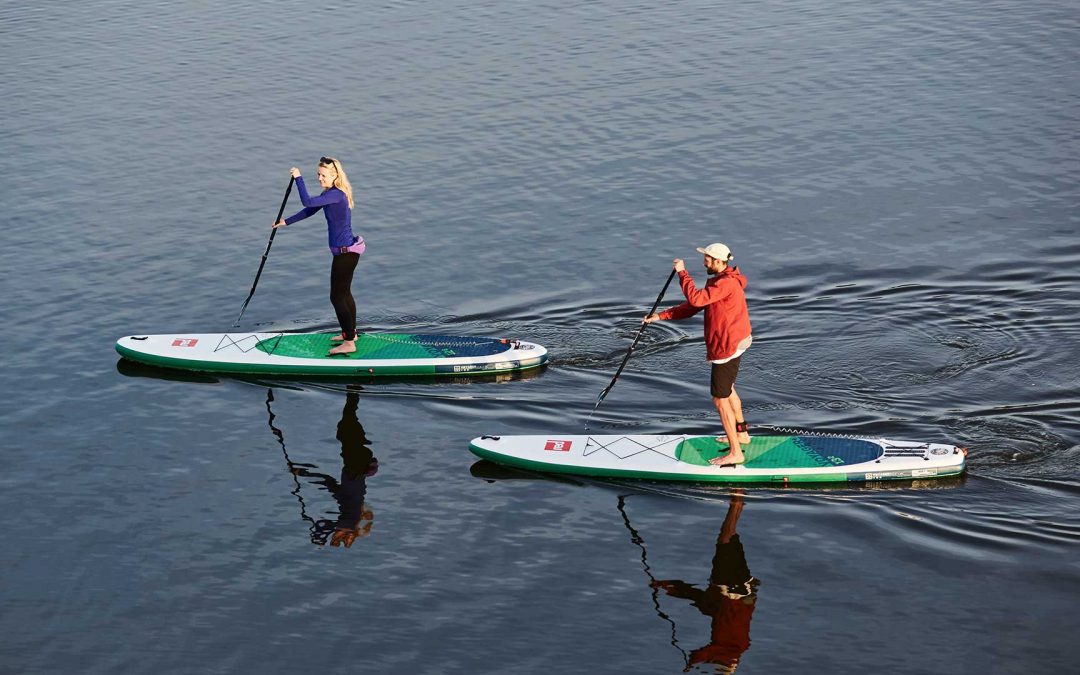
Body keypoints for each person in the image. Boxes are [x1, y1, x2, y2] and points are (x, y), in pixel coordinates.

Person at [644, 243, 752, 466]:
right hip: (737, 340)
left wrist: (682, 273)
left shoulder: (725, 282)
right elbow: (695, 306)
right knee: (727, 388)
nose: (705, 262)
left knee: (719, 397)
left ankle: (735, 452)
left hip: (727, 345)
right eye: (706, 258)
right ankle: (741, 434)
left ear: (721, 262)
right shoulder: (720, 279)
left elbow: (696, 300)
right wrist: (661, 316)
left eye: (709, 259)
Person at [651, 492, 759, 672]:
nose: (713, 660)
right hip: (732, 588)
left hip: (739, 589)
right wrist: (691, 663)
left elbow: (696, 597)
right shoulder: (733, 647)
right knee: (726, 540)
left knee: (729, 540)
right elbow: (705, 653)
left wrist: (665, 585)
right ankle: (737, 500)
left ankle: (738, 502)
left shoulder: (721, 628)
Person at [273, 157, 365, 356]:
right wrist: (286, 222)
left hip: (345, 254)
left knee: (337, 297)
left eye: (323, 175)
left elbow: (307, 200)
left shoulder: (337, 195)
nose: (320, 178)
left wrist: (298, 178)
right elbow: (310, 209)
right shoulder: (330, 194)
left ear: (334, 176)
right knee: (344, 294)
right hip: (345, 253)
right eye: (318, 175)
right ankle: (351, 334)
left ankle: (349, 343)